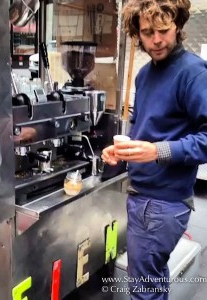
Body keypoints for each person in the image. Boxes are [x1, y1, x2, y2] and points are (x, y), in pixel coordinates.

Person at [101, 0, 207, 299]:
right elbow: (145, 129)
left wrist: (157, 151)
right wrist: (120, 151)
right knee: (151, 281)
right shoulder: (145, 74)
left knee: (144, 289)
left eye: (163, 30)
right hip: (143, 195)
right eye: (148, 32)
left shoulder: (193, 73)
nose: (157, 40)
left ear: (178, 26)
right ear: (137, 32)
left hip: (161, 203)